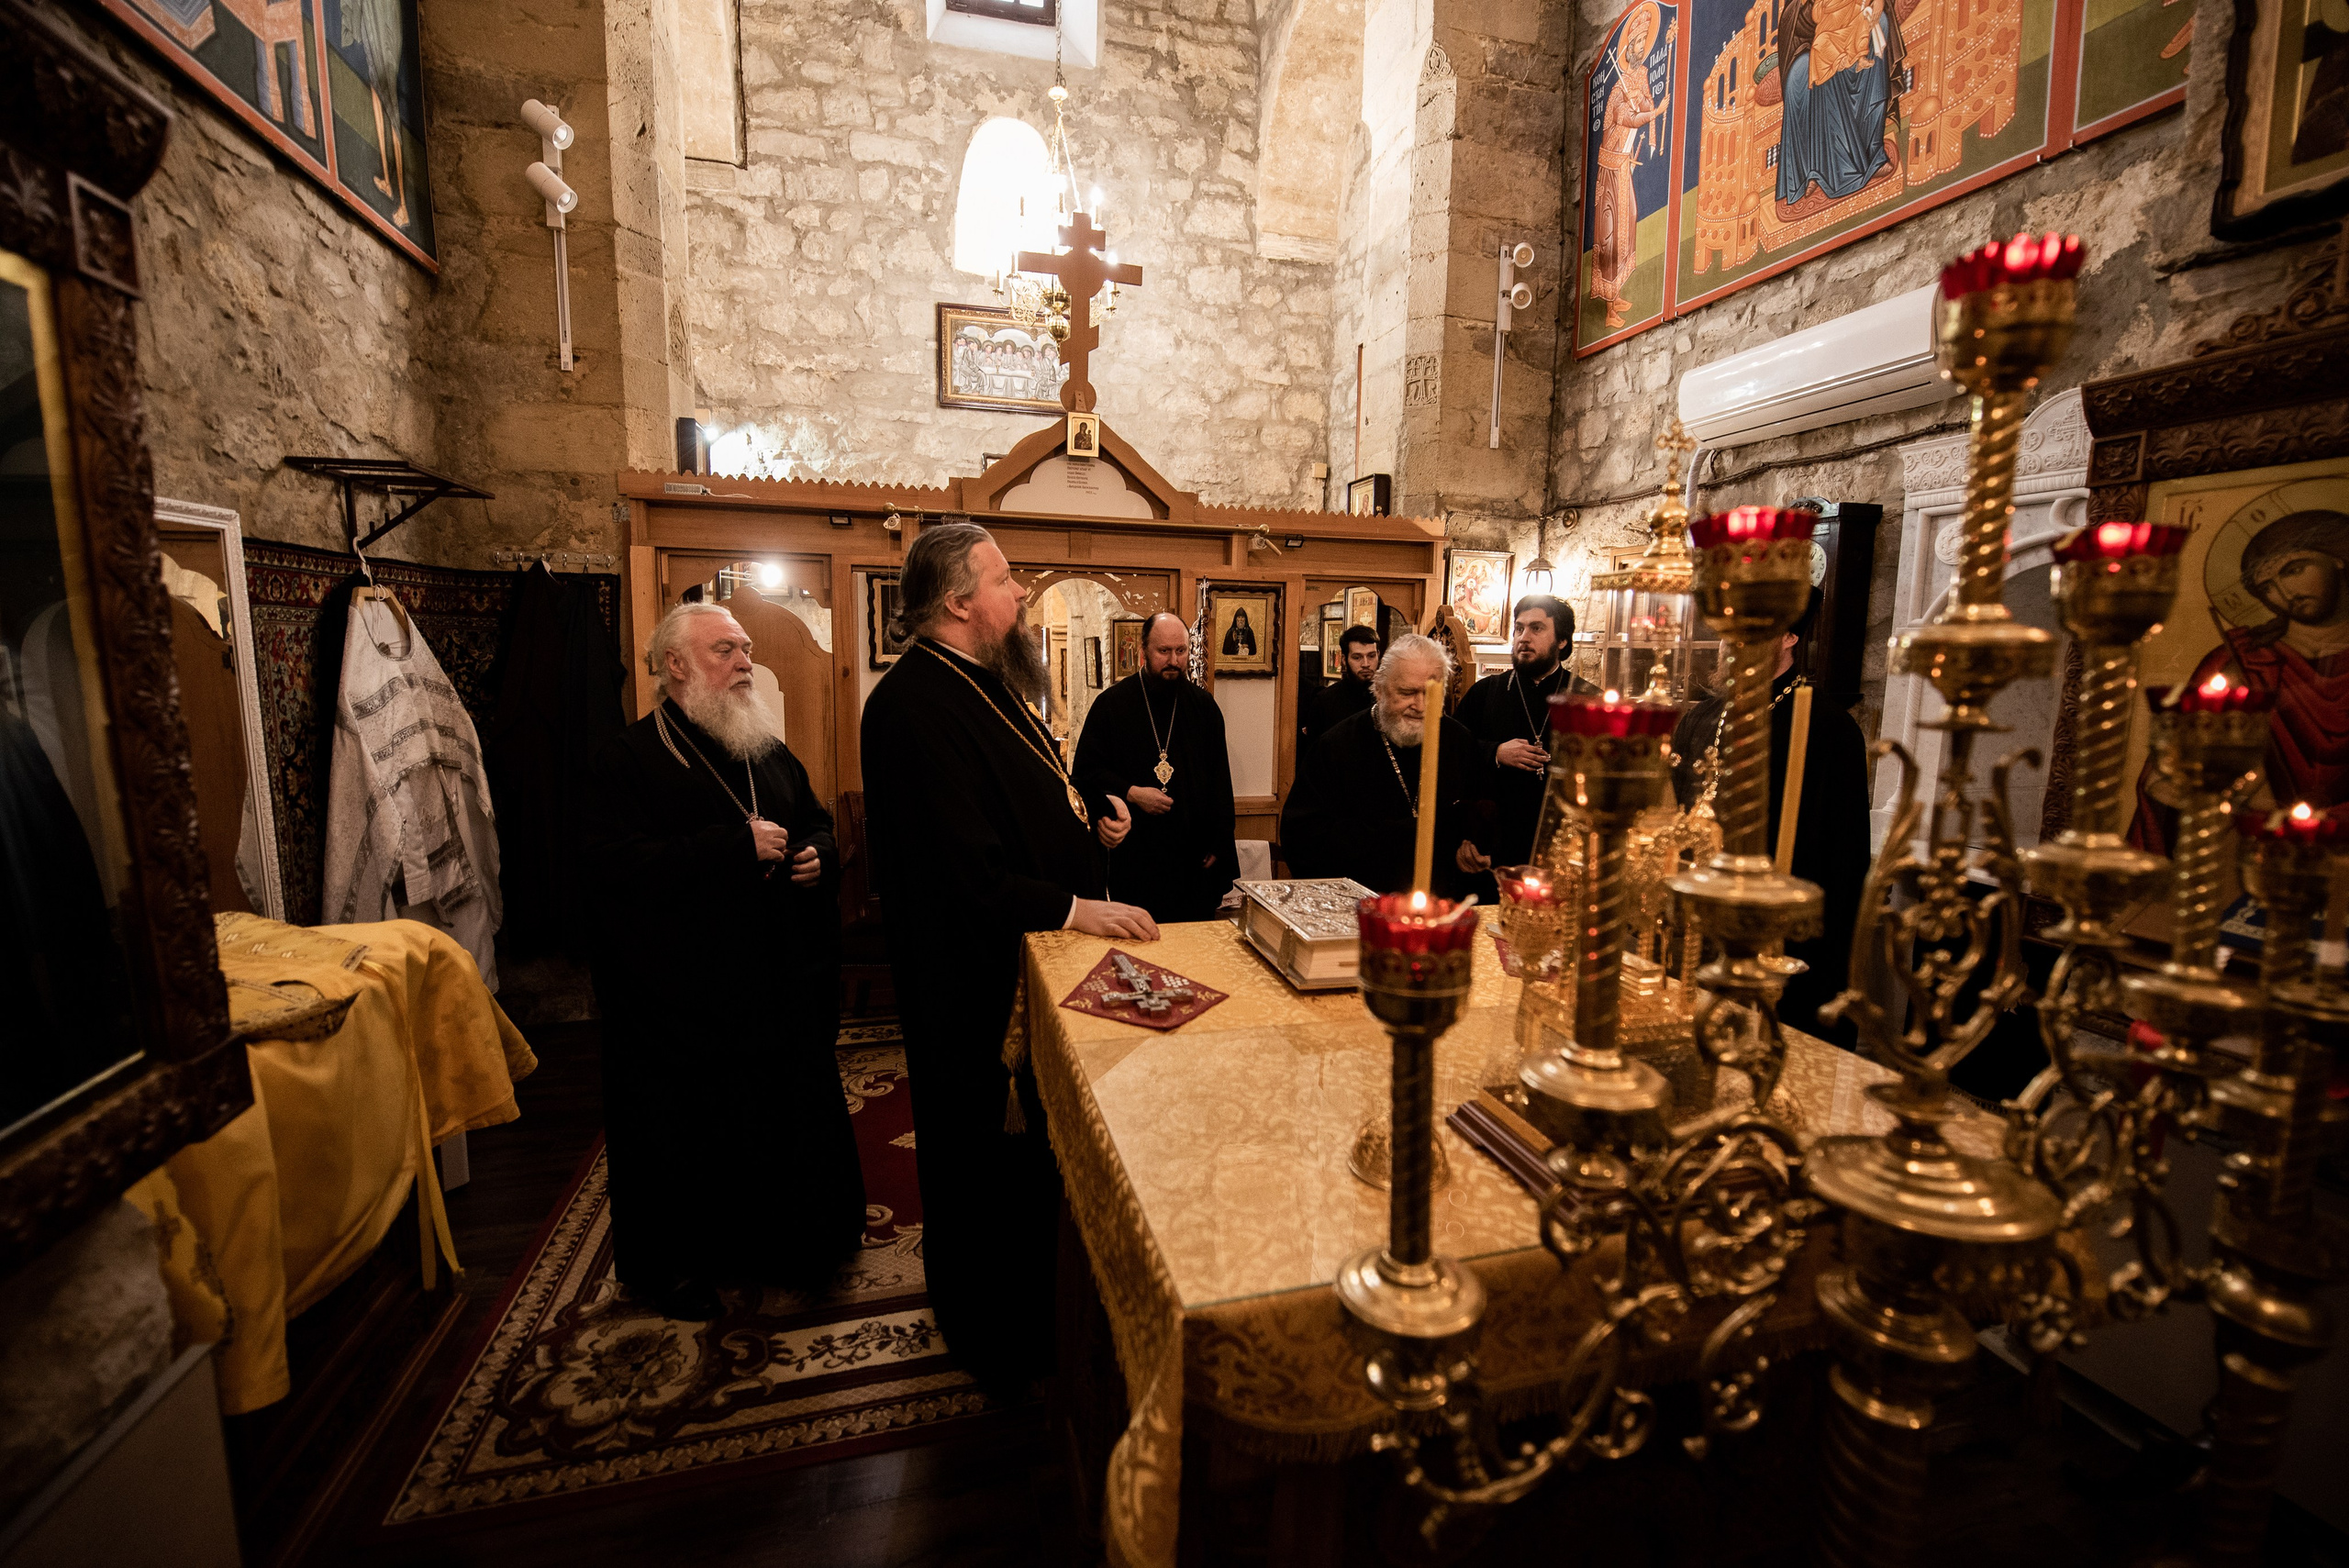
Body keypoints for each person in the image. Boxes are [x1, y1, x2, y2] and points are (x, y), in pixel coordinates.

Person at [861, 522, 1157, 1396]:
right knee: (978, 1156)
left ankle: (1038, 1304)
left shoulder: (979, 685)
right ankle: (991, 1328)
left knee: (1027, 1167)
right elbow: (960, 871)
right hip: (970, 989)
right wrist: (1077, 904)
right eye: (1003, 580)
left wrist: (1088, 825)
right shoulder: (913, 704)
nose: (1020, 593)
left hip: (1025, 967)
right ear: (958, 601)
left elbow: (1024, 803)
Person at [579, 602, 864, 1322]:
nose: (744, 662)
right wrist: (729, 849)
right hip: (681, 1000)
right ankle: (681, 1267)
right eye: (725, 650)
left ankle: (793, 1242)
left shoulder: (762, 746)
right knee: (686, 1139)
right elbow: (611, 866)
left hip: (776, 982)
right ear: (676, 666)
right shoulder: (628, 759)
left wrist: (817, 857)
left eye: (743, 648)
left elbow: (817, 820)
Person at [1669, 588, 1871, 1046]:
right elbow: (1675, 815)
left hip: (1776, 936)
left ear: (1788, 638)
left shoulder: (1828, 726)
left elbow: (1843, 861)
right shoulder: (1701, 718)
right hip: (1698, 925)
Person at [2128, 509, 2349, 852]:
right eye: (2267, 586)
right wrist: (2174, 787)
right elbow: (2168, 769)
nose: (2285, 591)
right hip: (2253, 854)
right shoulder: (2237, 661)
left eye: (2294, 569)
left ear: (2337, 558)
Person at [1281, 634, 1491, 897]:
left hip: (1440, 904)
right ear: (1378, 689)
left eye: (1431, 693)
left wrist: (1473, 846)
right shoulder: (1336, 747)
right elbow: (1303, 838)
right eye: (1407, 693)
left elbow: (1479, 813)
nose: (1421, 706)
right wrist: (1404, 838)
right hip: (1359, 903)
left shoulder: (1459, 741)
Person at [1074, 611, 1240, 923]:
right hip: (1137, 860)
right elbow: (1085, 774)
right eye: (1164, 651)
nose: (1174, 660)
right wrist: (1132, 793)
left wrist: (1219, 840)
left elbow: (1220, 780)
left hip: (1192, 862)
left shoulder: (1203, 707)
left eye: (1181, 651)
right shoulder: (1112, 706)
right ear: (1143, 651)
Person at [1454, 595, 1597, 874]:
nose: (1523, 638)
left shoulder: (1586, 700)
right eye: (1519, 629)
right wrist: (1494, 752)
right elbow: (1451, 756)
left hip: (1562, 848)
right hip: (1491, 846)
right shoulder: (1485, 694)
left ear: (1562, 641)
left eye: (1537, 628)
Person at [1590, 4, 1669, 329]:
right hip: (1611, 166)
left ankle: (1617, 292)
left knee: (1631, 219)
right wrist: (1654, 111)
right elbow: (1625, 118)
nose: (1640, 49)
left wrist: (1648, 102)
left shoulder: (1638, 76)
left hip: (1623, 163)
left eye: (1643, 43)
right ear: (1628, 48)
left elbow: (1645, 100)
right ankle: (1609, 309)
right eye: (1635, 43)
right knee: (1611, 233)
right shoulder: (1617, 87)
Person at [1303, 624, 1381, 747]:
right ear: (1344, 660)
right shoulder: (1325, 702)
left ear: (1378, 654)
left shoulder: (1389, 697)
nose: (1366, 664)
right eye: (1357, 657)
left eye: (1371, 656)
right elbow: (1314, 755)